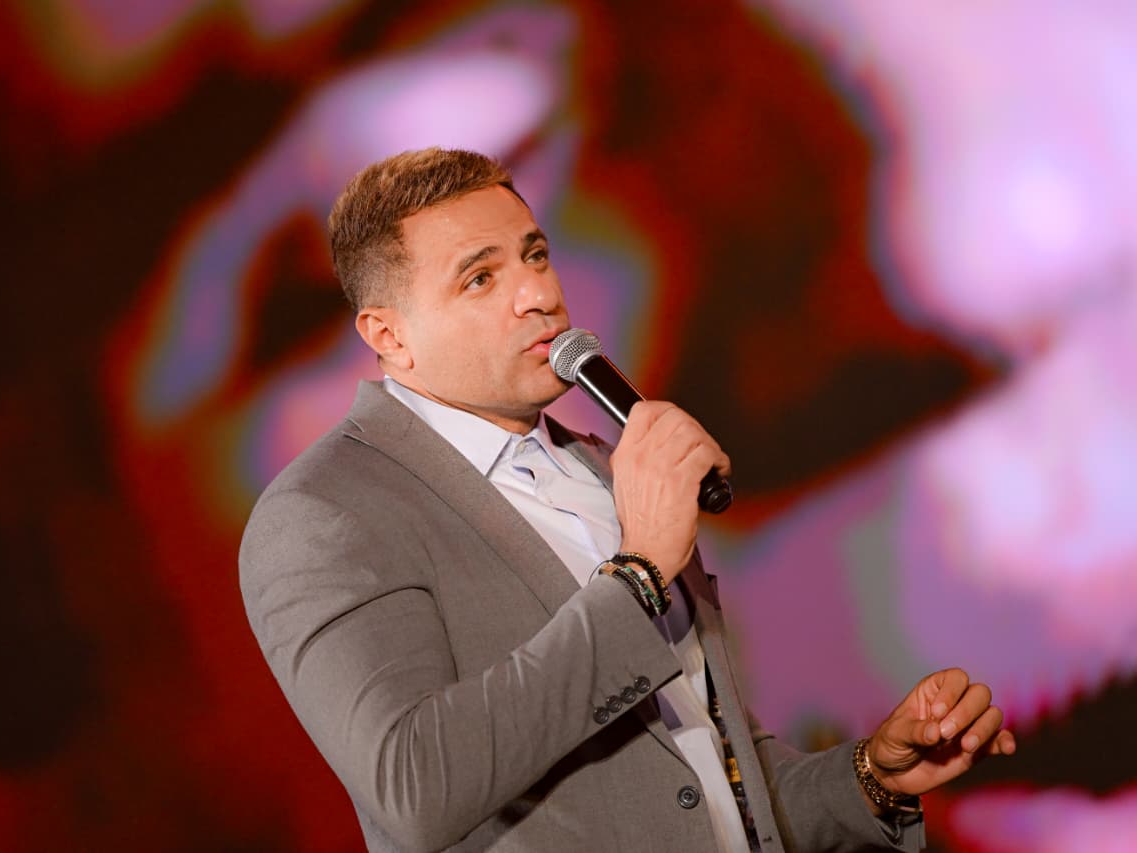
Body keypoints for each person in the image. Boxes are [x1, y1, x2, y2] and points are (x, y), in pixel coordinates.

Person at [238, 148, 1016, 852]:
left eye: (535, 255)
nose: (538, 293)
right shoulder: (325, 513)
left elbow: (704, 776)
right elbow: (416, 784)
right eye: (481, 277)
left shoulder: (605, 471)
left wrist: (871, 776)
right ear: (389, 336)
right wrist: (638, 572)